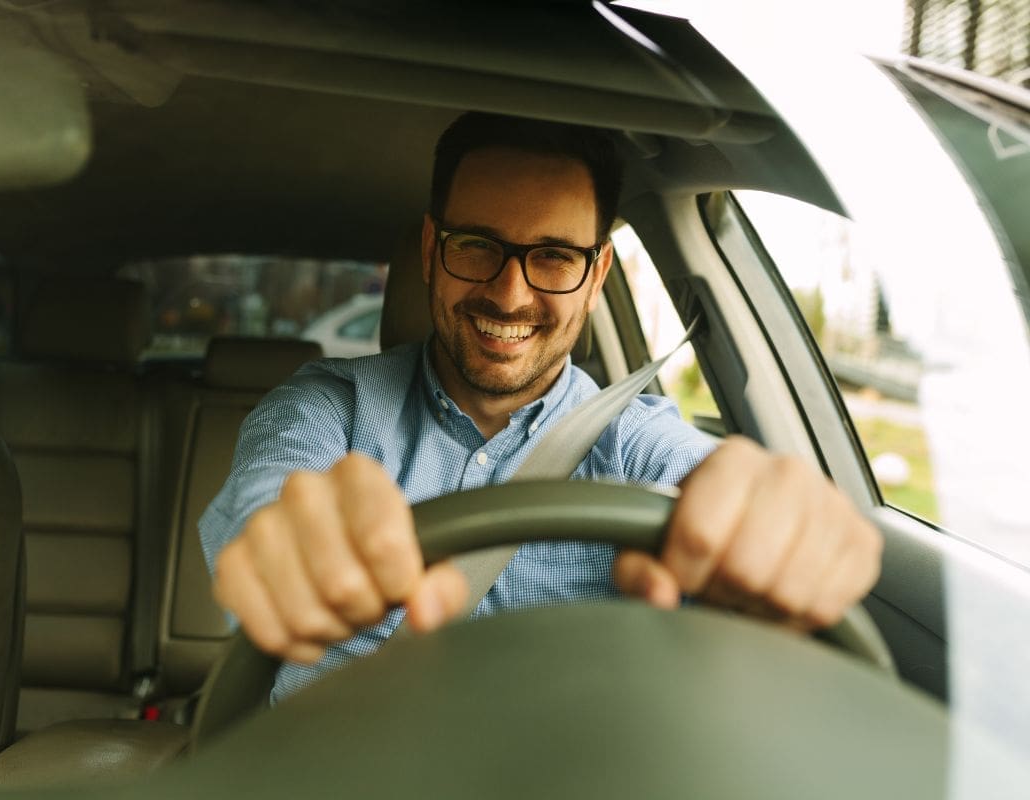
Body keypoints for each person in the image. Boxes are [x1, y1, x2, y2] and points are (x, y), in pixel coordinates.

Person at [199, 112, 881, 703]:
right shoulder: (329, 407)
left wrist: (776, 521)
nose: (510, 295)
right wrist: (288, 547)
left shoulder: (636, 446)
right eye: (477, 247)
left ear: (597, 275)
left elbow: (711, 481)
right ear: (432, 252)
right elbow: (265, 507)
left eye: (553, 257)